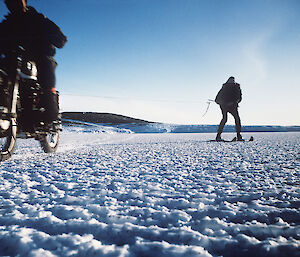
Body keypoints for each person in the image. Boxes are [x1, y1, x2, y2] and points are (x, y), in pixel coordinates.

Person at [0, 0, 67, 123]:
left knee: (45, 65)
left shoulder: (38, 19)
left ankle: (49, 107)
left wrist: (55, 37)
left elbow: (60, 38)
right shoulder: (6, 25)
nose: (13, 3)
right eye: (9, 1)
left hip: (37, 57)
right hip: (13, 58)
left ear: (24, 1)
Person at [215, 76, 243, 141]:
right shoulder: (224, 88)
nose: (231, 82)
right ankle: (218, 136)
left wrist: (233, 103)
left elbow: (239, 98)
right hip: (225, 106)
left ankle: (239, 136)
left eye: (232, 81)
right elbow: (217, 99)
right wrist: (223, 103)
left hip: (232, 107)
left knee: (236, 119)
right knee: (226, 119)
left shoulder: (236, 88)